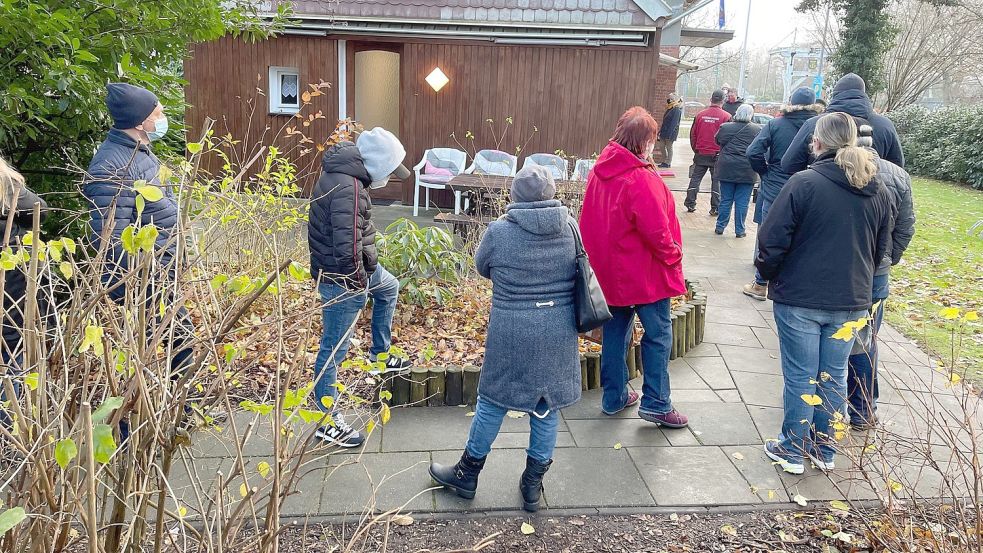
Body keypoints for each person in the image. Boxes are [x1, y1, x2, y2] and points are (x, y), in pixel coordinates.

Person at [429, 166, 580, 513]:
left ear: (515, 196)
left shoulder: (499, 231)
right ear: (552, 193)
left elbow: (483, 267)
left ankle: (467, 475)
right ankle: (532, 486)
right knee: (545, 406)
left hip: (512, 328)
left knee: (493, 400)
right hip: (558, 329)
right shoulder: (570, 226)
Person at [756, 113, 894, 474]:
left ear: (817, 142)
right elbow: (881, 251)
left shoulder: (802, 183)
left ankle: (792, 448)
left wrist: (768, 275)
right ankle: (825, 448)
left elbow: (771, 240)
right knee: (833, 375)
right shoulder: (876, 188)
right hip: (851, 299)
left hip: (800, 299)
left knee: (801, 375)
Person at [580, 107, 689, 428]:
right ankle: (656, 402)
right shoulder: (639, 178)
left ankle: (614, 396)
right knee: (657, 336)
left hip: (610, 273)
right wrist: (674, 256)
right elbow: (658, 232)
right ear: (643, 142)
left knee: (615, 333)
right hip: (645, 275)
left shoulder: (602, 169)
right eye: (652, 139)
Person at [308, 127, 412, 448]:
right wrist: (358, 285)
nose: (391, 178)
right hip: (343, 279)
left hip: (357, 270)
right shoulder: (348, 188)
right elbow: (347, 245)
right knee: (333, 351)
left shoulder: (349, 177)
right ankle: (326, 420)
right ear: (378, 164)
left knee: (390, 287)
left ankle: (379, 353)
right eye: (390, 171)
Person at [84, 83, 194, 374]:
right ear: (140, 121)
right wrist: (145, 277)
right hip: (143, 280)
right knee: (173, 344)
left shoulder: (140, 152)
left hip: (160, 273)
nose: (162, 118)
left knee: (176, 342)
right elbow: (109, 238)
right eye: (158, 113)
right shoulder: (112, 166)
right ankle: (152, 413)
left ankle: (171, 410)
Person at [847, 125, 915, 430]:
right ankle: (864, 408)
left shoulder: (843, 169)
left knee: (839, 336)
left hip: (847, 267)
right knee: (866, 339)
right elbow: (905, 227)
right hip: (877, 272)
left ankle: (833, 405)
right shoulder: (898, 175)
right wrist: (888, 259)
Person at [743, 87, 822, 300]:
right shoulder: (818, 127)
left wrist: (765, 171)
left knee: (769, 232)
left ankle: (761, 284)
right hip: (809, 187)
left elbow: (753, 151)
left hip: (776, 186)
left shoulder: (775, 124)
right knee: (801, 235)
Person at [0, 157, 46, 427]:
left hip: (12, 286)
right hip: (11, 290)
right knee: (10, 364)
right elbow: (39, 210)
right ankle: (8, 439)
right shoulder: (6, 184)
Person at [782, 74, 904, 174]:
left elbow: (789, 165)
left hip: (821, 194)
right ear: (864, 94)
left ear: (835, 95)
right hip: (871, 196)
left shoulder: (815, 124)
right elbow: (897, 168)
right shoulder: (885, 125)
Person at [713, 104, 761, 238]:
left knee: (726, 199)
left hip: (727, 167)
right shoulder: (757, 130)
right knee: (742, 201)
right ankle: (740, 230)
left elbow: (717, 140)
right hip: (747, 169)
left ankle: (720, 226)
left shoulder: (725, 127)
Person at [686, 90, 731, 215]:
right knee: (716, 181)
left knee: (695, 178)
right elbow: (727, 137)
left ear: (711, 99)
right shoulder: (726, 117)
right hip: (717, 154)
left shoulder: (700, 115)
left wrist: (696, 149)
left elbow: (692, 134)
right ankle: (715, 207)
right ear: (723, 100)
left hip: (701, 152)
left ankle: (690, 203)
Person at [657, 92, 683, 168]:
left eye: (671, 98)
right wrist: (660, 131)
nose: (669, 100)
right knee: (661, 146)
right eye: (669, 98)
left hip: (670, 132)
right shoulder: (669, 108)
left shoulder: (676, 110)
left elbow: (674, 123)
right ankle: (664, 160)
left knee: (669, 147)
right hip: (664, 131)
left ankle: (668, 162)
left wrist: (669, 134)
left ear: (675, 99)